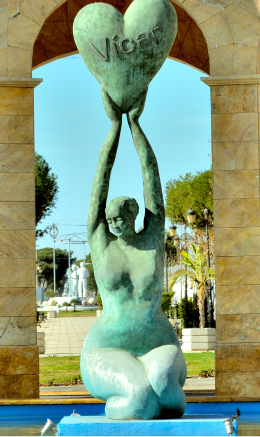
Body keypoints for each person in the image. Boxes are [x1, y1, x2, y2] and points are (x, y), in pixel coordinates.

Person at [80, 89, 186, 420]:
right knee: (139, 396)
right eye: (110, 220)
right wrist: (114, 127)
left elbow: (151, 175)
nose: (114, 224)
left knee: (165, 385)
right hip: (107, 348)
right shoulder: (102, 242)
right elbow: (100, 183)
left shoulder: (151, 239)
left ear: (134, 215)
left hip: (158, 345)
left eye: (120, 219)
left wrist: (135, 125)